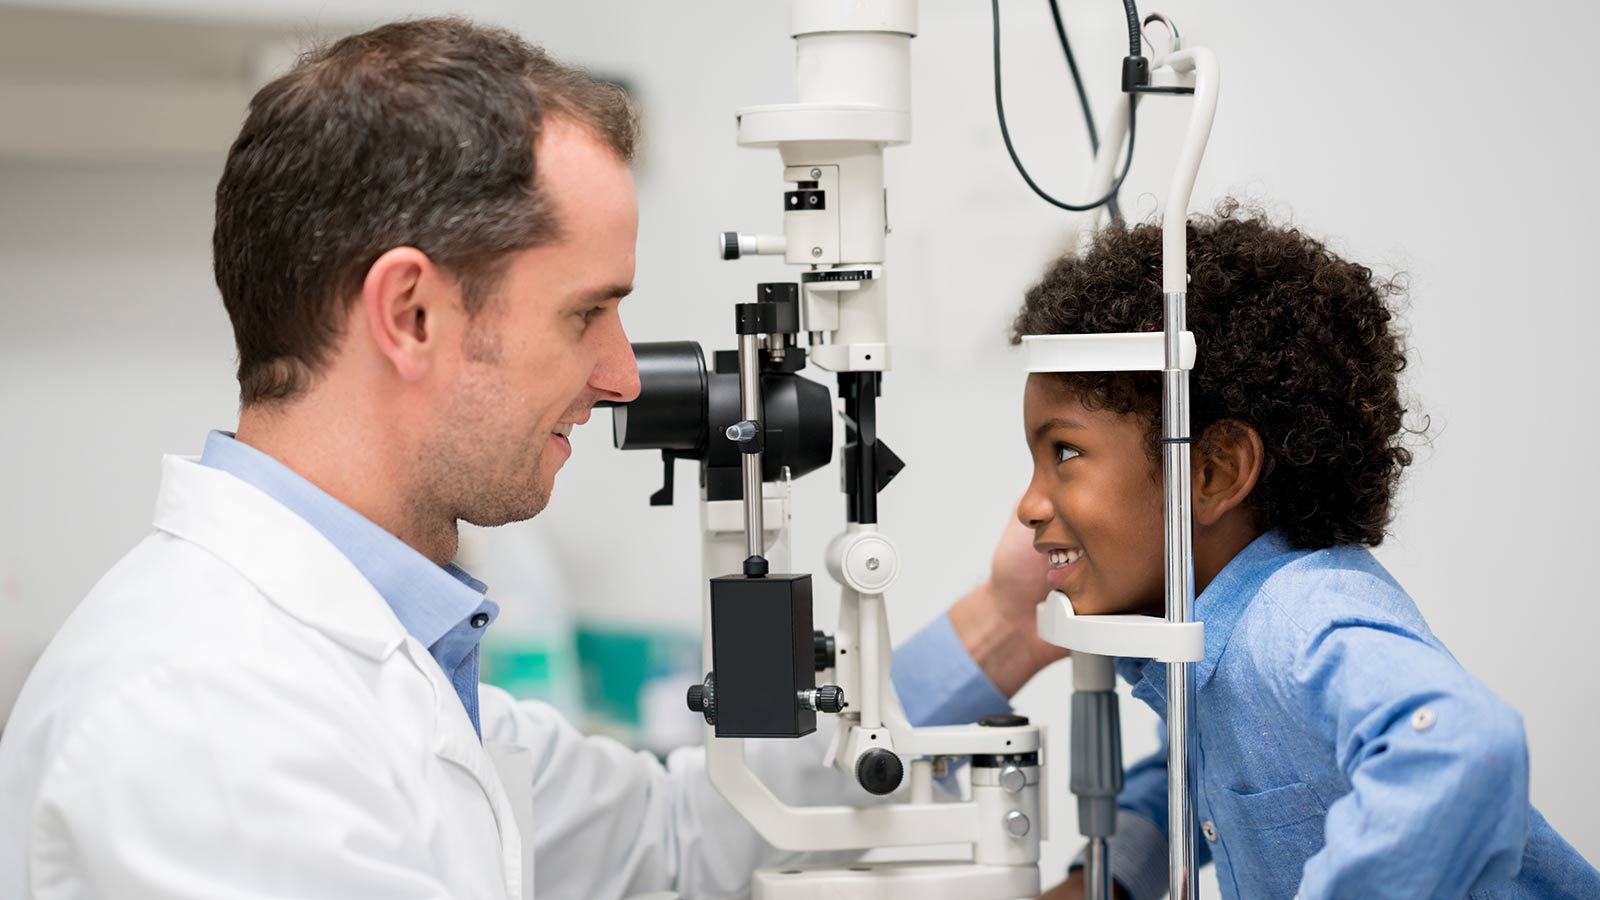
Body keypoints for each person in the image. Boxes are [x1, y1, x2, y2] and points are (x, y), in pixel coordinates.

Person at [0, 18, 1057, 900]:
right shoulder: (201, 720)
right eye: (586, 313)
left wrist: (1008, 621)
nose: (622, 377)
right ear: (409, 312)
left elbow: (686, 843)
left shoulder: (394, 664)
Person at [1019, 205, 1600, 899]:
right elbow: (1193, 773)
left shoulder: (1299, 619)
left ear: (1213, 471)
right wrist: (1105, 882)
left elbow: (1463, 746)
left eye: (1065, 454)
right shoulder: (1211, 653)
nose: (1029, 504)